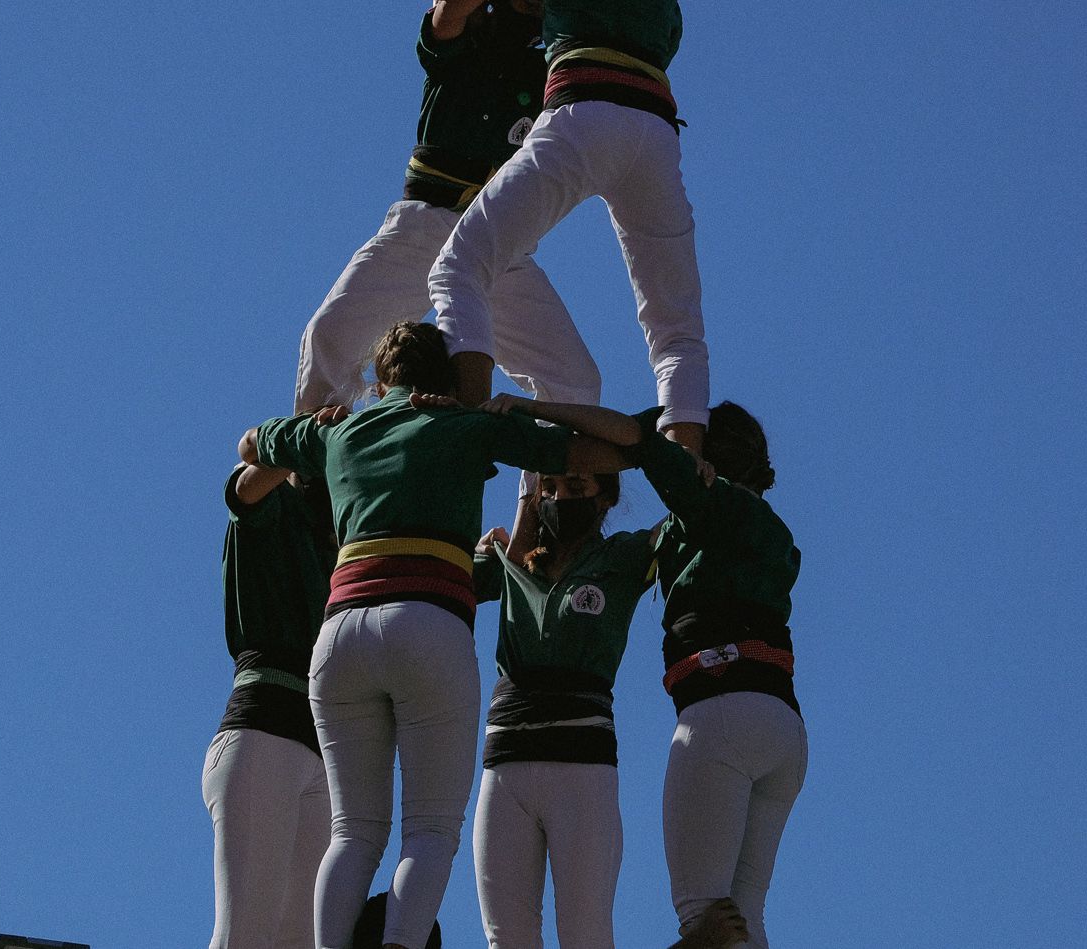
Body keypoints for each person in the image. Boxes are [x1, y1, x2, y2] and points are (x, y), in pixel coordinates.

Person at [238, 323, 624, 949]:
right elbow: (606, 455)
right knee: (429, 830)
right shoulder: (464, 427)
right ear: (442, 383)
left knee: (353, 831)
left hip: (339, 635)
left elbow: (251, 443)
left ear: (382, 379)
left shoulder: (339, 431)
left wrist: (336, 417)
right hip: (429, 623)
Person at [478, 399, 803, 949]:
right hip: (784, 726)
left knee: (704, 918)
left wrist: (667, 424)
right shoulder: (769, 529)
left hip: (719, 711)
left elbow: (638, 438)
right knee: (745, 916)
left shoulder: (701, 506)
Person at [423, 0, 707, 454]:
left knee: (458, 267)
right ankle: (690, 471)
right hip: (656, 134)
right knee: (675, 326)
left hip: (582, 112)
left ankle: (465, 427)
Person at [294, 0, 598, 416]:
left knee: (575, 380)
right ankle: (316, 475)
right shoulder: (458, 48)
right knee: (330, 337)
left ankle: (546, 486)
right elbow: (448, 12)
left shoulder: (551, 74)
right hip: (424, 225)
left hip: (496, 241)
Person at [466, 452, 656, 949]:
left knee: (586, 934)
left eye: (575, 486)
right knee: (505, 939)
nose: (559, 499)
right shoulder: (507, 562)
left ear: (607, 496)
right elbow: (454, 580)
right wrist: (517, 515)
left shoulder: (626, 555)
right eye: (549, 488)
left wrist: (635, 446)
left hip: (582, 764)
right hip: (504, 764)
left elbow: (690, 513)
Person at [202, 461, 337, 949]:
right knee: (245, 934)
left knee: (299, 940)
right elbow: (244, 489)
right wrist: (300, 439)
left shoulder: (338, 541)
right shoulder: (275, 507)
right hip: (264, 731)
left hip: (316, 748)